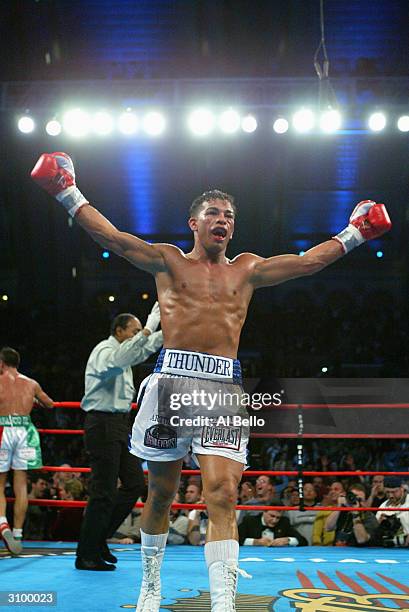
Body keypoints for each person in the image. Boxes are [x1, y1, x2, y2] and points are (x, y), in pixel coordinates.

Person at [31, 151, 391, 611]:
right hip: (170, 382)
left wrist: (356, 233)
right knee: (160, 492)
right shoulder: (167, 262)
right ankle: (150, 586)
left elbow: (307, 263)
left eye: (230, 216)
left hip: (222, 388)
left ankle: (224, 603)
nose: (224, 220)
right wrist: (65, 190)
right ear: (194, 223)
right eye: (214, 213)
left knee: (222, 493)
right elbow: (113, 237)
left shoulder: (248, 268)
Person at [75, 307, 163, 571]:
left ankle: (99, 539)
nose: (139, 336)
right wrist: (148, 328)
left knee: (135, 483)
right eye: (134, 332)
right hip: (101, 423)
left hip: (117, 425)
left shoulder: (124, 356)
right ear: (119, 331)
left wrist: (165, 328)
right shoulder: (105, 351)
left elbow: (141, 350)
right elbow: (122, 358)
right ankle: (86, 554)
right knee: (102, 491)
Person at [0, 347, 53, 554]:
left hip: (3, 430)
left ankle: (3, 524)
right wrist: (34, 401)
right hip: (25, 432)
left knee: (1, 483)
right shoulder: (31, 383)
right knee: (21, 484)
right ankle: (18, 533)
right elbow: (49, 404)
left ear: (2, 364)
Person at [238, 506, 307, 547]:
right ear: (264, 512)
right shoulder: (250, 521)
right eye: (272, 516)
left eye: (278, 518)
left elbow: (303, 541)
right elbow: (236, 540)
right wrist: (256, 542)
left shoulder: (284, 522)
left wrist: (288, 540)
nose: (274, 520)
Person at [375, 476, 409, 547]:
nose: (391, 496)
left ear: (402, 489)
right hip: (391, 548)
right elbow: (375, 532)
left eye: (394, 492)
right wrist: (379, 523)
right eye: (387, 492)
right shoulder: (383, 507)